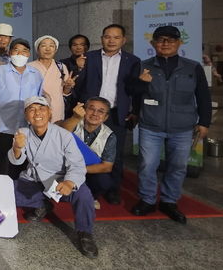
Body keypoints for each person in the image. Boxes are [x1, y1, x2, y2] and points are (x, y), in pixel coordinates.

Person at [130, 26, 212, 224]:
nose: (165, 43)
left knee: (178, 166)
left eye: (171, 40)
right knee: (147, 165)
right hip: (151, 125)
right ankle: (148, 199)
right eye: (160, 40)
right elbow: (132, 92)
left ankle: (169, 201)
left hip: (182, 127)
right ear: (153, 43)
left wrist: (204, 122)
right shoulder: (144, 66)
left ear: (179, 43)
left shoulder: (192, 67)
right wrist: (141, 84)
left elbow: (203, 96)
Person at [9, 96, 97, 258]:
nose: (37, 113)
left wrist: (70, 182)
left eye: (42, 108)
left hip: (60, 181)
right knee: (7, 194)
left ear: (50, 113)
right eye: (32, 109)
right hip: (33, 179)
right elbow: (16, 160)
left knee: (84, 194)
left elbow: (77, 165)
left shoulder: (64, 135)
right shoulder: (23, 132)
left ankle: (85, 233)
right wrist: (16, 147)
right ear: (26, 114)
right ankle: (43, 204)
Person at [75, 24, 141, 205]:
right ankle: (82, 186)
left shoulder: (133, 61)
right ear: (102, 38)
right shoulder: (89, 57)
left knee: (115, 154)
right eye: (107, 36)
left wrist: (135, 112)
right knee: (84, 150)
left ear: (123, 40)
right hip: (90, 112)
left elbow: (135, 90)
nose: (111, 40)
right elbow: (79, 85)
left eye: (116, 37)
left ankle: (113, 189)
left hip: (116, 113)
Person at [0, 38, 43, 178]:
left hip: (28, 127)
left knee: (23, 164)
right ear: (10, 53)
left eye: (24, 51)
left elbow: (39, 99)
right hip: (5, 126)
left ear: (29, 55)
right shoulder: (0, 70)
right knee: (4, 164)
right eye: (16, 50)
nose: (20, 54)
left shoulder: (35, 74)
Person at [57, 98, 117, 209]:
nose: (95, 113)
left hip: (88, 170)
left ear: (106, 117)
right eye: (91, 109)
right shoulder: (75, 122)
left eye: (101, 111)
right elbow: (61, 132)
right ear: (84, 110)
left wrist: (79, 169)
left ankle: (91, 196)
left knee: (104, 181)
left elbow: (107, 167)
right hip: (64, 166)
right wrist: (75, 118)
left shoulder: (110, 135)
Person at [29, 35, 75, 122]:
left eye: (51, 46)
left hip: (56, 108)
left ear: (56, 49)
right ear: (37, 49)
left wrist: (68, 86)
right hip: (36, 108)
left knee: (55, 131)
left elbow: (65, 93)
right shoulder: (29, 67)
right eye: (43, 46)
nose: (48, 49)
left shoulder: (61, 67)